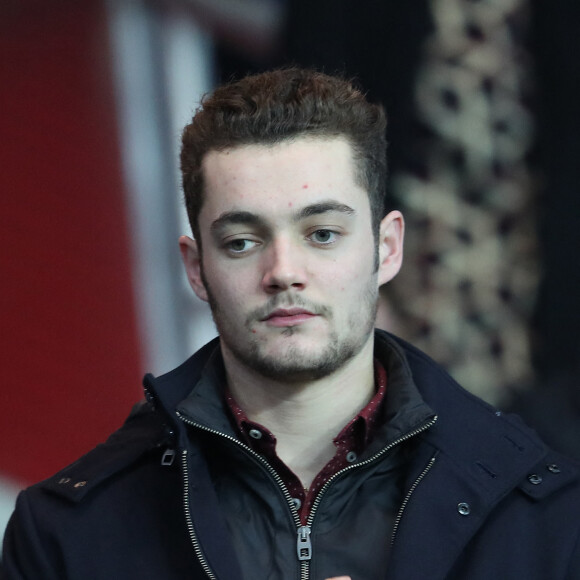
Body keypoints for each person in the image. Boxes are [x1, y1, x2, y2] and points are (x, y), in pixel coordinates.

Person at [2, 67, 580, 580]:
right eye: (242, 242)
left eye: (322, 233)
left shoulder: (548, 511)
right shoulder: (67, 532)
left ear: (387, 248)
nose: (283, 272)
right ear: (196, 267)